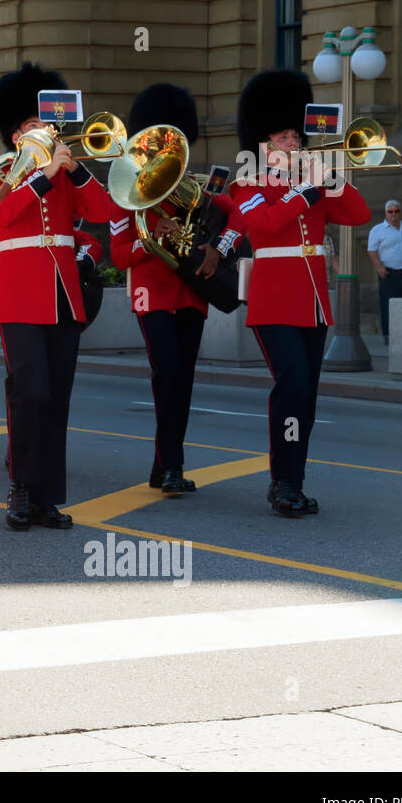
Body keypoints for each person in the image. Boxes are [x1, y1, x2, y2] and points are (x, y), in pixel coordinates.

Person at [0, 62, 112, 531]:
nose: (43, 132)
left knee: (57, 397)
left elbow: (104, 211)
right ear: (16, 135)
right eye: (34, 125)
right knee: (29, 393)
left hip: (64, 298)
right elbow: (0, 220)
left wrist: (74, 173)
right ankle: (20, 487)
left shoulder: (65, 174)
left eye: (47, 124)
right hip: (19, 299)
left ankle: (45, 497)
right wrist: (43, 174)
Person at [231, 68, 370, 517]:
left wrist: (333, 178)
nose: (294, 142)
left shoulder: (312, 178)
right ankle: (281, 482)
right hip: (273, 300)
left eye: (296, 134)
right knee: (290, 385)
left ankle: (295, 480)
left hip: (312, 302)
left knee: (306, 393)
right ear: (263, 141)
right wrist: (306, 188)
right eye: (284, 135)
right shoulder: (247, 183)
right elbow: (266, 226)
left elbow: (356, 213)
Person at [109, 83, 245, 496]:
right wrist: (149, 233)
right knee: (166, 371)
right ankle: (168, 464)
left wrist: (217, 249)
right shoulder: (126, 193)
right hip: (152, 290)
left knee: (182, 378)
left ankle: (167, 465)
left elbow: (238, 218)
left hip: (189, 292)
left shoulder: (196, 188)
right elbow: (119, 256)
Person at [367, 199, 402, 341]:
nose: (393, 214)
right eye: (390, 212)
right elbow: (372, 250)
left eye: (396, 211)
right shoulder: (377, 230)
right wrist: (379, 268)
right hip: (389, 273)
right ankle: (389, 335)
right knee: (389, 305)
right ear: (386, 213)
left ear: (400, 212)